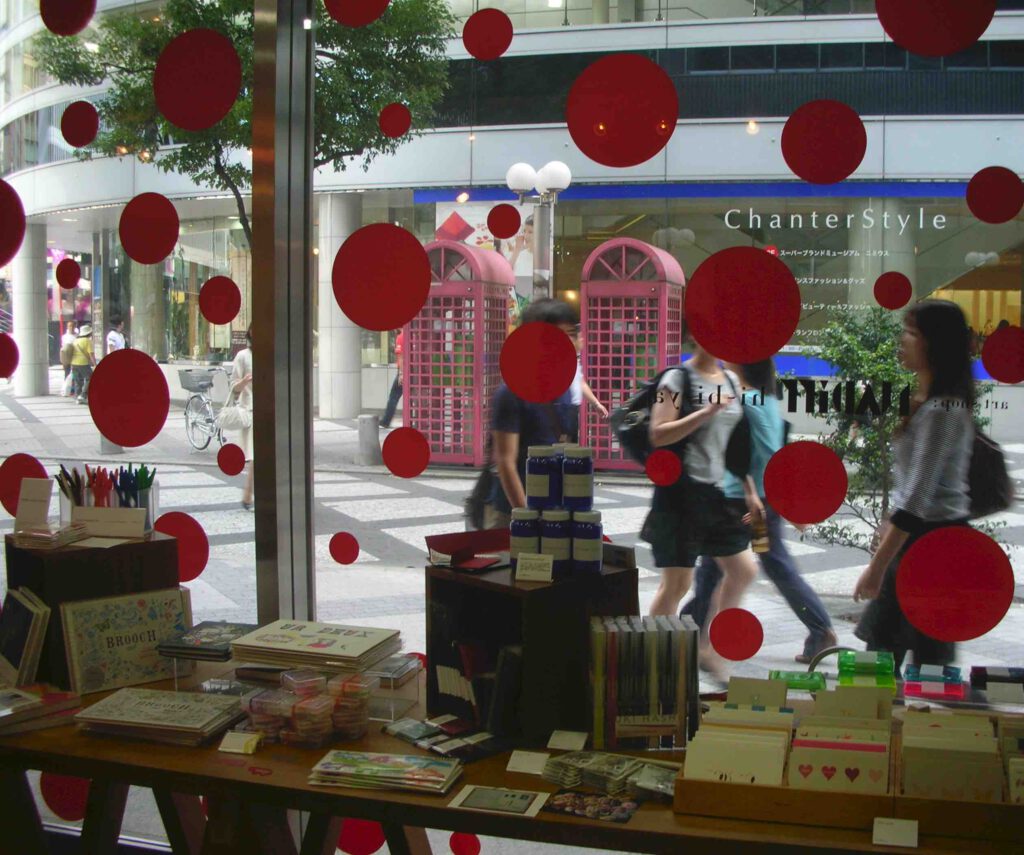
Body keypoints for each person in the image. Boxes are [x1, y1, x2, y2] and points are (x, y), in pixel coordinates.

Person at [681, 359, 837, 664]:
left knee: (753, 564)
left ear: (741, 366)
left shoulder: (747, 400)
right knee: (718, 566)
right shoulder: (763, 398)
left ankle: (820, 628)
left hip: (747, 505)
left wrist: (778, 501)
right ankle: (693, 630)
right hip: (752, 501)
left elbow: (767, 452)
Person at [853, 300, 975, 674]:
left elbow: (920, 497)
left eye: (912, 333)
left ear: (935, 344)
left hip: (933, 546)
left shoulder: (944, 410)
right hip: (918, 541)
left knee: (918, 660)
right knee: (888, 654)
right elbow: (911, 488)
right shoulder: (924, 402)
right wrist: (889, 521)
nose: (901, 340)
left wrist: (876, 568)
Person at [642, 339, 759, 642]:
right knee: (676, 585)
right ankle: (648, 654)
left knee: (744, 569)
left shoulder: (731, 379)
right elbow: (658, 433)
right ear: (696, 335)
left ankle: (710, 644)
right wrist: (705, 412)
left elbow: (734, 441)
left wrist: (749, 489)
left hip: (714, 494)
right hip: (680, 496)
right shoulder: (676, 379)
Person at [486, 298, 575, 530]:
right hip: (515, 513)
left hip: (554, 510)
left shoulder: (562, 387)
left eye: (571, 334)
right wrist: (526, 517)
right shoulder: (511, 392)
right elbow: (505, 461)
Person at [569, 329, 608, 443]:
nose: (583, 340)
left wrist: (596, 404)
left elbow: (580, 382)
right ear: (572, 340)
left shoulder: (574, 359)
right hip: (563, 410)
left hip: (572, 410)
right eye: (580, 337)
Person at [231, 326, 255, 510]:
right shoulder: (242, 356)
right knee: (255, 456)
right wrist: (245, 381)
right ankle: (247, 494)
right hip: (250, 411)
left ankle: (248, 495)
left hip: (271, 409)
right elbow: (234, 388)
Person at [380, 328, 404, 429]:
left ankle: (386, 421)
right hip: (416, 371)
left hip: (404, 371)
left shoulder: (401, 337)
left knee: (394, 396)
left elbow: (401, 356)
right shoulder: (414, 336)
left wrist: (402, 373)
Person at [70, 324, 96, 404]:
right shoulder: (87, 341)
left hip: (73, 363)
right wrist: (95, 364)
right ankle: (83, 395)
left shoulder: (75, 340)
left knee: (78, 380)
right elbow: (91, 354)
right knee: (90, 378)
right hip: (83, 363)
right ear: (89, 333)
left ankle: (78, 397)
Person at [60, 322, 77, 396]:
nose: (71, 327)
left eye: (73, 326)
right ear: (67, 327)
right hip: (67, 357)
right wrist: (63, 361)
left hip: (75, 357)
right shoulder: (64, 337)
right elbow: (63, 349)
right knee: (67, 373)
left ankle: (73, 390)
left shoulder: (77, 336)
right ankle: (67, 390)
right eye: (70, 326)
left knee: (75, 374)